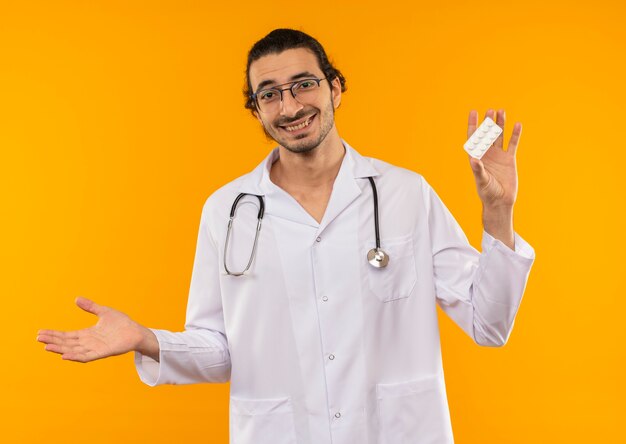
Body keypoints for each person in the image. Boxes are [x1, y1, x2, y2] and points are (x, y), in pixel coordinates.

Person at [38, 28, 535, 443]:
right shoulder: (226, 211)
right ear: (256, 111)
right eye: (269, 94)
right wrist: (146, 340)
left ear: (335, 88)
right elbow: (220, 350)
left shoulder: (407, 193)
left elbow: (488, 325)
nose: (290, 105)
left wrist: (497, 213)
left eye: (303, 84)